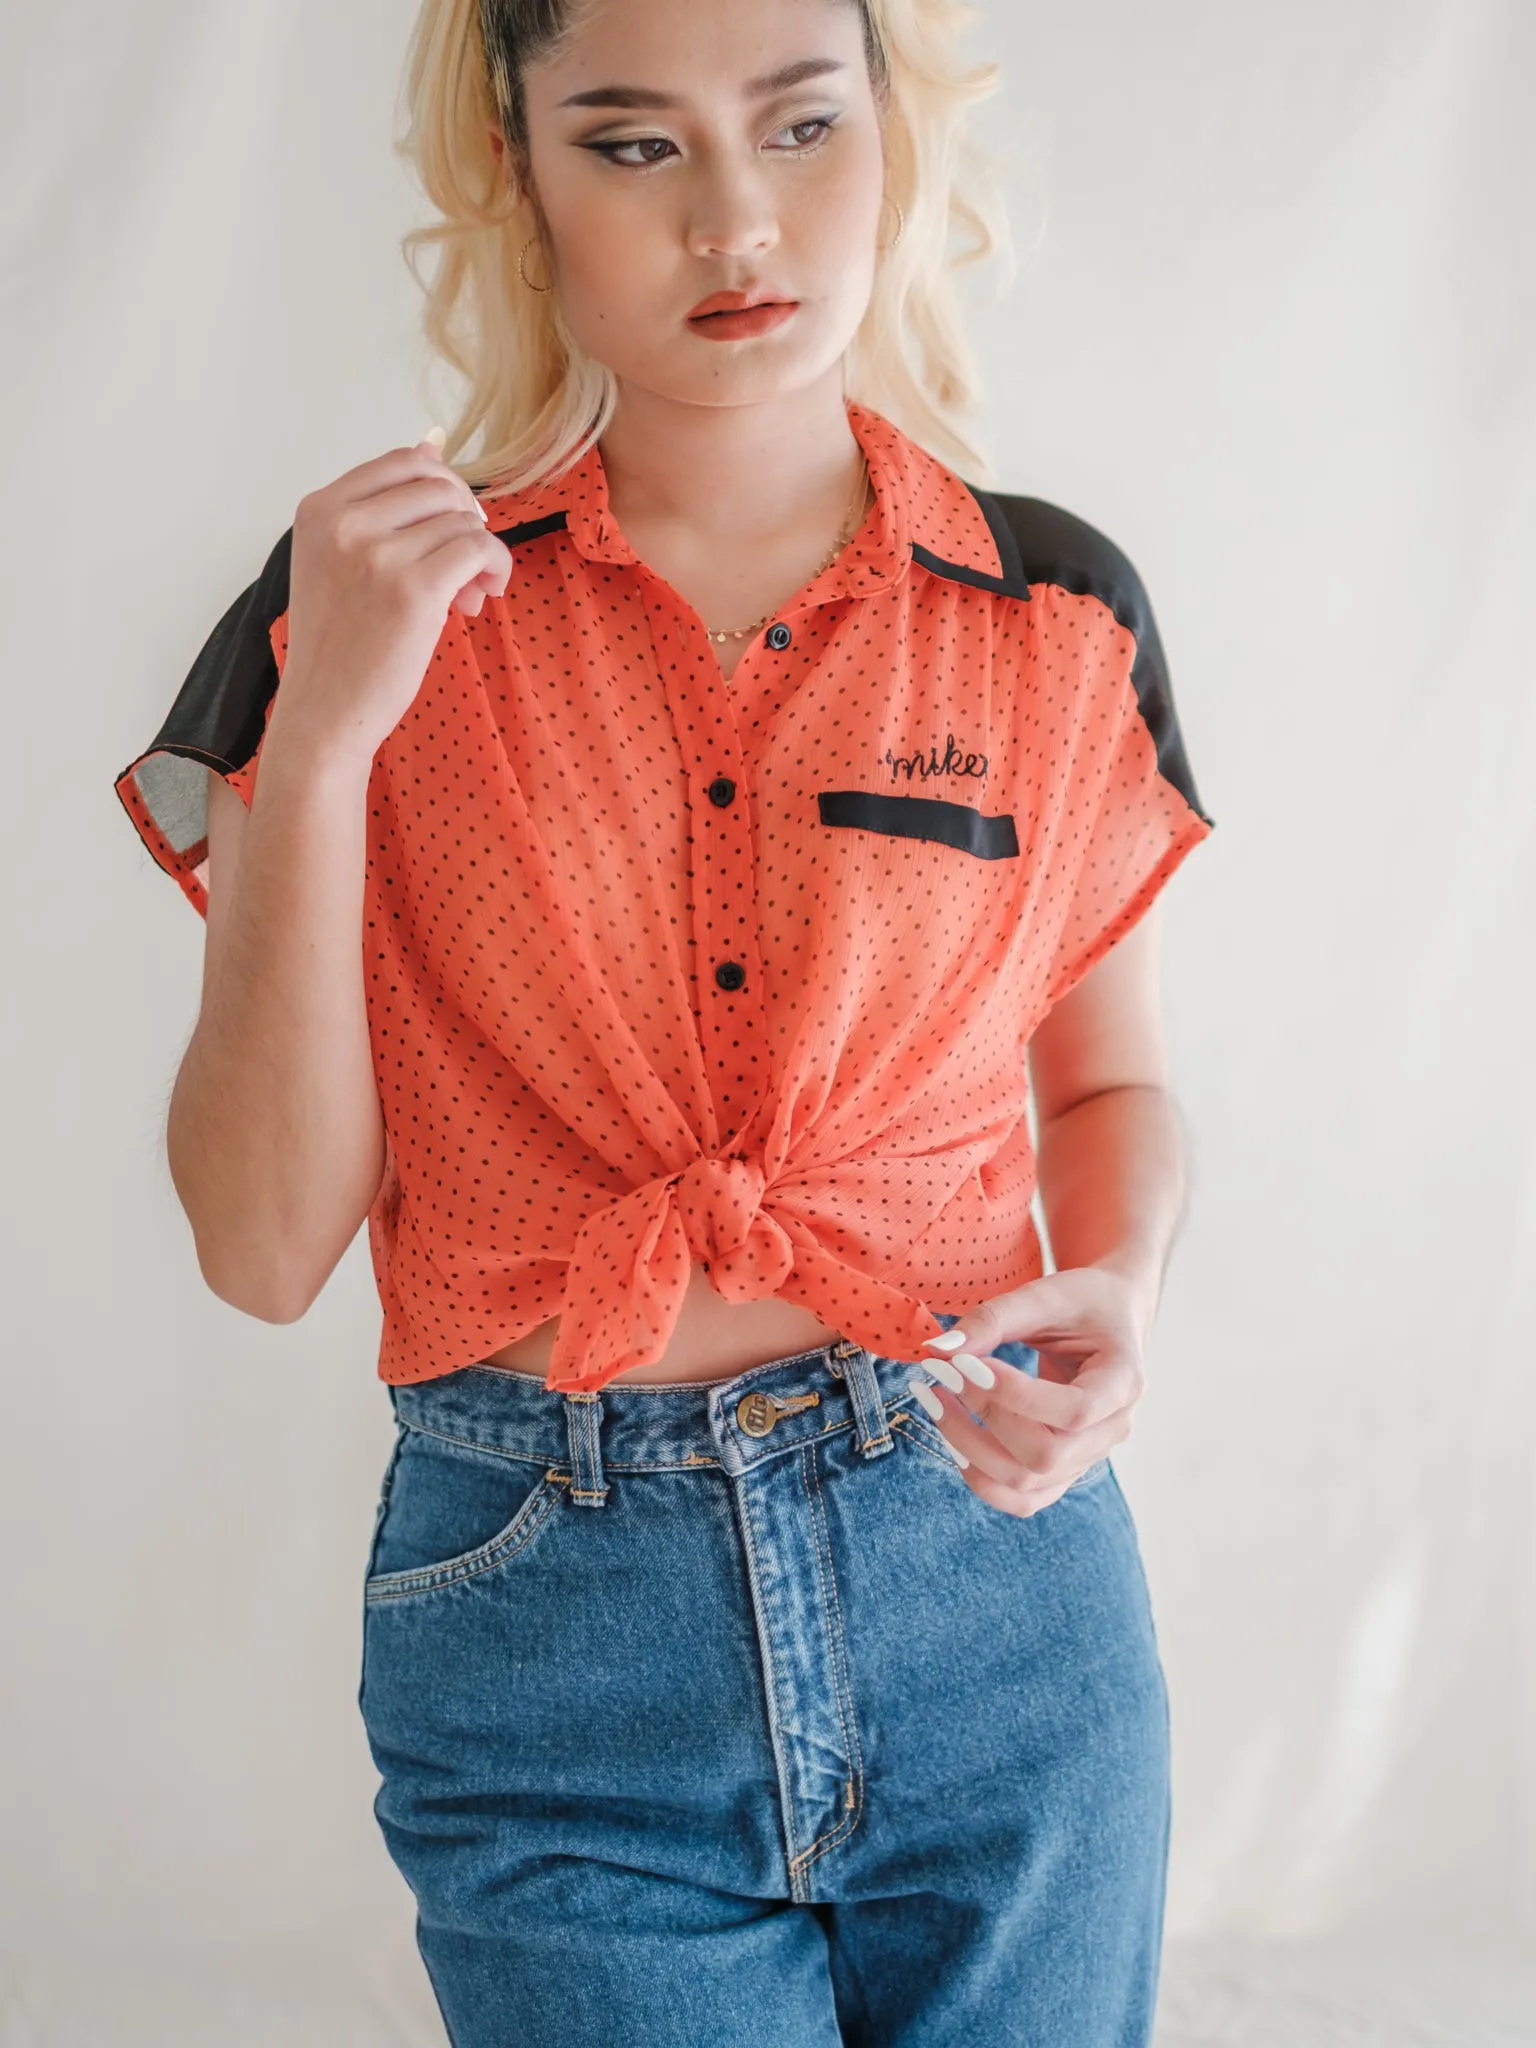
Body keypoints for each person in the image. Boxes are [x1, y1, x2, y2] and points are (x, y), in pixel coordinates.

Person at [112, 0, 1215, 2040]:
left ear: (895, 134)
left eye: (797, 124)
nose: (735, 221)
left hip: (994, 1585)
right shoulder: (350, 607)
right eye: (632, 145)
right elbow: (264, 1250)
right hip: (550, 1625)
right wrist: (334, 738)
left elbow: (1116, 1077)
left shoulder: (1053, 612)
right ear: (515, 177)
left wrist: (1125, 1285)